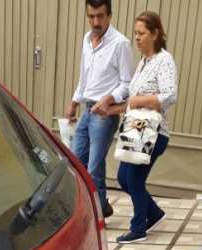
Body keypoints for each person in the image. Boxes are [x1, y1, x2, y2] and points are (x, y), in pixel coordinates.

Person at [66, 1, 133, 218]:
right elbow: (84, 77)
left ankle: (95, 214)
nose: (96, 22)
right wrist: (75, 102)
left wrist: (109, 98)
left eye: (101, 16)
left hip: (105, 115)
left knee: (94, 166)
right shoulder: (87, 39)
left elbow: (127, 84)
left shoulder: (120, 44)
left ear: (110, 16)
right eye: (92, 16)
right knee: (76, 161)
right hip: (87, 109)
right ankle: (101, 205)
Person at [116, 11, 177, 243]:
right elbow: (132, 97)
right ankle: (154, 213)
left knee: (134, 180)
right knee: (123, 177)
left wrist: (139, 100)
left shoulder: (164, 59)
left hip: (154, 131)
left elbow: (169, 95)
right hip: (136, 128)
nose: (137, 38)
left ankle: (138, 227)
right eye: (136, 33)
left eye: (142, 33)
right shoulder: (143, 62)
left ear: (155, 33)